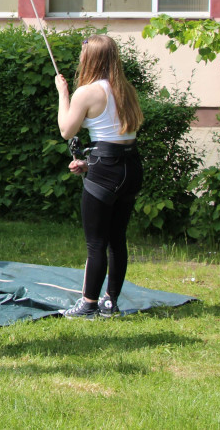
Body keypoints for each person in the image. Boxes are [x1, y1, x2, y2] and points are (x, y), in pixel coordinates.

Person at [55, 34, 144, 319]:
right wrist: (88, 164)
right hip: (129, 169)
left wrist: (63, 93)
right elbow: (116, 137)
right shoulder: (126, 90)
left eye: (83, 56)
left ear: (91, 59)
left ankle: (88, 303)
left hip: (106, 171)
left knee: (96, 243)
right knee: (117, 238)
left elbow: (66, 130)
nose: (80, 60)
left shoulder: (87, 91)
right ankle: (110, 302)